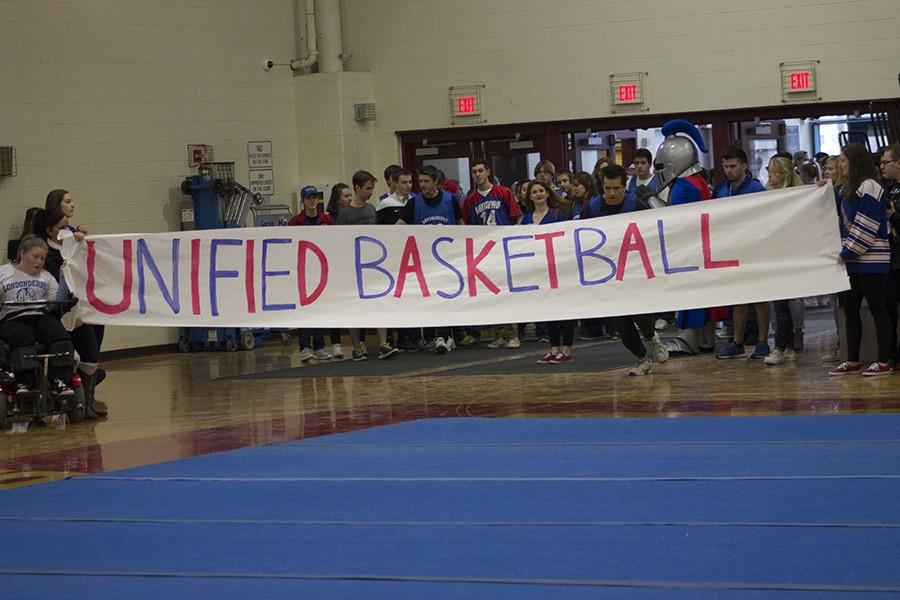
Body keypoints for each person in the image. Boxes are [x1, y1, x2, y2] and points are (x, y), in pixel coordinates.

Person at [591, 164, 669, 376]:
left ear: (624, 186)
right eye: (608, 188)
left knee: (640, 312)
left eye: (616, 188)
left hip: (635, 270)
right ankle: (641, 358)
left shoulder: (636, 204)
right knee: (620, 321)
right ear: (602, 187)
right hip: (608, 274)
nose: (612, 193)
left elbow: (655, 231)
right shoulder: (592, 208)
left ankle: (653, 338)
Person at [828, 143, 892, 376]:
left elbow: (866, 225)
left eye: (843, 161)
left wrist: (846, 252)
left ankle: (883, 361)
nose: (840, 165)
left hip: (871, 261)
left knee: (878, 309)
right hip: (854, 261)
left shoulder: (870, 187)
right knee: (851, 308)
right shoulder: (849, 188)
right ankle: (852, 359)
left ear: (854, 162)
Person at [396, 165, 464, 354]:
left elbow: (461, 225)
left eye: (427, 181)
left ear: (436, 182)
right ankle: (439, 335)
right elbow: (398, 227)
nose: (422, 185)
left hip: (448, 259)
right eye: (421, 181)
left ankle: (447, 334)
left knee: (448, 296)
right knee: (432, 297)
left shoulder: (450, 200)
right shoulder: (414, 203)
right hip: (425, 260)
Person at [0, 235, 76, 399]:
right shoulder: (3, 273)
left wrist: (63, 278)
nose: (39, 262)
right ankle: (23, 382)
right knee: (23, 335)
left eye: (42, 258)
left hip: (40, 314)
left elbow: (56, 302)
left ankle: (58, 381)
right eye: (35, 257)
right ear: (22, 254)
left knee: (59, 334)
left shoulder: (46, 276)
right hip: (13, 316)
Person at [715, 146, 771, 360]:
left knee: (759, 298)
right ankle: (737, 341)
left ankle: (763, 341)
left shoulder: (756, 190)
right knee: (738, 297)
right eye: (725, 166)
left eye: (733, 166)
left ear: (744, 166)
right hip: (732, 250)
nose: (728, 170)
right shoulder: (722, 190)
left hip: (754, 249)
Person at [337, 171, 399, 361]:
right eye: (368, 188)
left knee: (380, 301)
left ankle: (382, 344)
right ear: (357, 188)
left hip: (373, 264)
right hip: (353, 264)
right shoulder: (345, 213)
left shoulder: (372, 209)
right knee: (353, 307)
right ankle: (356, 347)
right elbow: (339, 240)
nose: (371, 192)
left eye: (372, 188)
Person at [462, 160, 522, 349]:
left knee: (506, 291)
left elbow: (517, 216)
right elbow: (465, 226)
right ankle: (499, 333)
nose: (477, 174)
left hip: (502, 248)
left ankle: (513, 334)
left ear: (488, 172)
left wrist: (513, 235)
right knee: (492, 292)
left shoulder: (503, 192)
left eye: (480, 171)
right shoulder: (470, 200)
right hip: (484, 251)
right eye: (474, 172)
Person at [521, 180, 574, 364]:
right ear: (530, 196)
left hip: (559, 267)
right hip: (540, 270)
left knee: (565, 309)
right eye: (534, 191)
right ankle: (553, 348)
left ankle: (566, 349)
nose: (538, 194)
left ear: (548, 193)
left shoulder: (558, 214)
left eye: (541, 190)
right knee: (549, 309)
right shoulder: (527, 219)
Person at [763, 157, 804, 366]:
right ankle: (786, 344)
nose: (769, 175)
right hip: (775, 255)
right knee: (780, 305)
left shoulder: (795, 196)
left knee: (782, 305)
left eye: (772, 172)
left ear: (783, 175)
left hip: (790, 255)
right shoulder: (768, 195)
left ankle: (779, 346)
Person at [288, 185, 334, 362]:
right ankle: (305, 346)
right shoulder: (295, 222)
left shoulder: (327, 220)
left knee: (320, 309)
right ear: (303, 201)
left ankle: (320, 346)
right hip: (304, 270)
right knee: (305, 309)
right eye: (309, 198)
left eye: (314, 197)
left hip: (322, 269)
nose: (312, 201)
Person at [879, 144, 900, 366]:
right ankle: (891, 353)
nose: (881, 166)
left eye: (886, 162)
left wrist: (894, 216)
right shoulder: (887, 187)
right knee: (889, 308)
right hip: (891, 258)